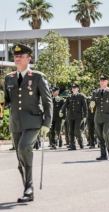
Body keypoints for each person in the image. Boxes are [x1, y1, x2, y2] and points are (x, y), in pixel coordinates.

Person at [1, 44, 52, 202]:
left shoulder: (37, 76)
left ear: (28, 58)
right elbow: (8, 103)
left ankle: (29, 188)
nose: (17, 58)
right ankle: (28, 190)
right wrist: (2, 101)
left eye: (21, 56)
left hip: (33, 122)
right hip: (16, 123)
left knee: (24, 148)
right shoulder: (9, 78)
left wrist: (47, 123)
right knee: (20, 156)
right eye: (15, 56)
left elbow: (47, 101)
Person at [90, 74, 109, 160]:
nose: (101, 82)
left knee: (106, 133)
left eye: (103, 80)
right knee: (99, 135)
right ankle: (103, 154)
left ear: (107, 82)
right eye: (101, 80)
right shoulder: (96, 92)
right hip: (98, 116)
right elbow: (92, 104)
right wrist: (91, 104)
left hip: (108, 116)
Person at [60, 83, 87, 150]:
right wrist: (61, 110)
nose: (73, 89)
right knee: (71, 131)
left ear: (78, 89)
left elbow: (85, 107)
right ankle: (72, 145)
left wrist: (85, 116)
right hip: (71, 115)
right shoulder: (69, 97)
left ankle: (80, 141)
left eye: (75, 88)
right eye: (72, 88)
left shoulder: (81, 96)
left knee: (77, 129)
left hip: (78, 115)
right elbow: (65, 105)